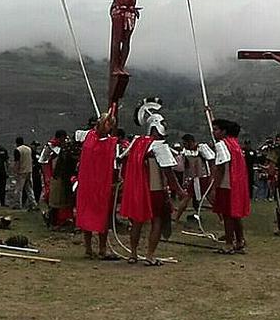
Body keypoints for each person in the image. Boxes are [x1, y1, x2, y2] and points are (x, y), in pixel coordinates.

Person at [78, 0, 170, 105]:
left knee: (126, 41)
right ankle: (115, 66)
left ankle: (121, 66)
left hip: (130, 12)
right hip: (118, 11)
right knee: (116, 40)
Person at [118, 101, 187, 265]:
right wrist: (179, 190)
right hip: (155, 191)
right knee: (157, 221)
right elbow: (169, 172)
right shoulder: (159, 146)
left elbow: (122, 158)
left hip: (138, 190)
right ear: (156, 125)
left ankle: (133, 254)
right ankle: (149, 255)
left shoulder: (136, 144)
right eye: (162, 123)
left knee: (137, 221)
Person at [76, 113, 121, 260]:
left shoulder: (111, 143)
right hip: (87, 183)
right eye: (107, 124)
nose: (109, 127)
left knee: (103, 216)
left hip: (102, 184)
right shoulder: (86, 136)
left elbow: (114, 164)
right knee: (86, 214)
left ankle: (102, 248)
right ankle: (88, 248)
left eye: (111, 125)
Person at [210, 119, 252, 253]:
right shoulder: (235, 144)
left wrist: (214, 185)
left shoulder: (222, 144)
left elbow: (221, 167)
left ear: (223, 131)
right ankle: (240, 240)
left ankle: (229, 243)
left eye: (216, 129)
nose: (213, 132)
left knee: (227, 215)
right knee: (235, 215)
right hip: (236, 183)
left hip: (226, 184)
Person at [172, 134, 214, 223]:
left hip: (203, 177)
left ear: (190, 142)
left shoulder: (202, 148)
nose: (184, 145)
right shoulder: (185, 151)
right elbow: (186, 167)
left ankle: (222, 217)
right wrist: (185, 180)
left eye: (185, 143)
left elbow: (211, 161)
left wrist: (212, 177)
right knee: (187, 197)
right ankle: (177, 218)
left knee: (210, 197)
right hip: (193, 178)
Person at [47, 130, 81, 228]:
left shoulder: (68, 147)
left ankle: (65, 220)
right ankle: (53, 223)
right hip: (60, 176)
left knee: (65, 201)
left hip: (65, 177)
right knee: (56, 201)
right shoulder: (69, 148)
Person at [13, 137, 35, 210]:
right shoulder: (29, 149)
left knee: (18, 189)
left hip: (21, 172)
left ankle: (17, 204)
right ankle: (32, 203)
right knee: (29, 189)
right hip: (29, 170)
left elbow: (17, 162)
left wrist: (15, 171)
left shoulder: (18, 150)